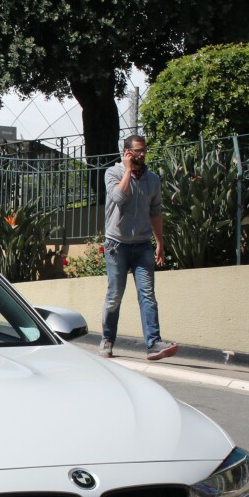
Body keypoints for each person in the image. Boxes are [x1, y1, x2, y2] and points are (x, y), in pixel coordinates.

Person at [99, 135, 178, 362]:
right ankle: (107, 339)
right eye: (136, 151)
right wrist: (127, 170)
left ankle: (153, 344)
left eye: (143, 150)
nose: (141, 155)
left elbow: (156, 212)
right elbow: (118, 197)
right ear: (126, 152)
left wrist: (160, 243)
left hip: (142, 245)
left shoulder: (152, 180)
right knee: (115, 295)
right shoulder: (112, 173)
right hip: (117, 245)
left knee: (148, 295)